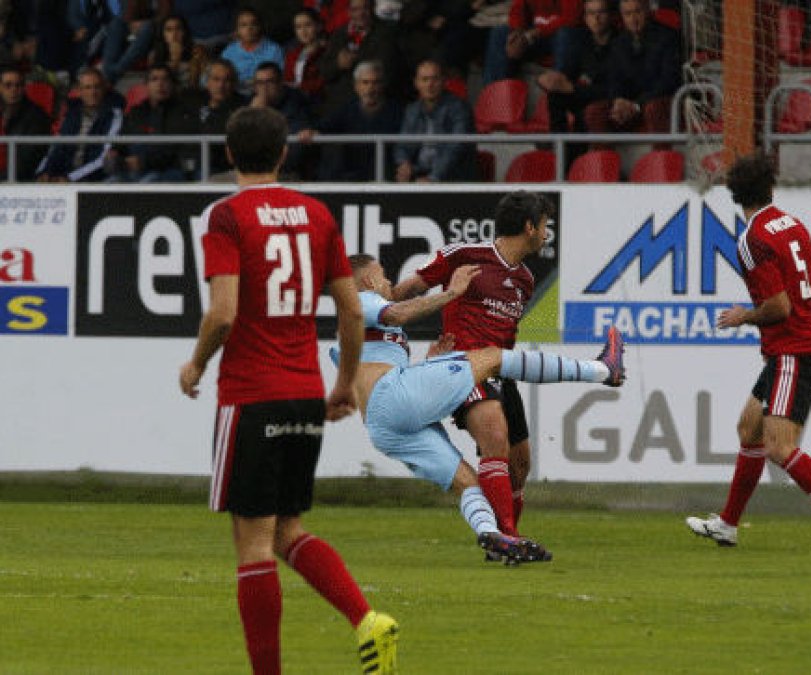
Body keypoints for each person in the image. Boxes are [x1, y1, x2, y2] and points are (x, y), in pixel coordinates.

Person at [177, 106, 399, 675]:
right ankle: (366, 619)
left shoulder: (225, 217)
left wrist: (197, 364)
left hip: (251, 394)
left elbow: (223, 314)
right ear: (283, 153)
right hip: (305, 393)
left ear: (228, 155)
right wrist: (344, 383)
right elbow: (351, 309)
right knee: (288, 531)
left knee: (252, 545)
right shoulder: (316, 214)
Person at [339, 253, 625, 562]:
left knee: (467, 482)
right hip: (391, 395)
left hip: (383, 426)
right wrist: (452, 293)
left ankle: (493, 534)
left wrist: (429, 367)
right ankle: (601, 370)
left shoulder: (362, 319)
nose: (389, 283)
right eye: (383, 276)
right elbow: (395, 315)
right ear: (368, 281)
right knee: (491, 357)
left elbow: (377, 371)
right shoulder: (361, 300)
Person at [685, 153, 811, 556]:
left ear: (734, 194)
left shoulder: (752, 240)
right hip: (794, 345)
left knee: (779, 446)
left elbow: (779, 306)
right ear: (770, 187)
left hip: (793, 350)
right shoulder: (791, 223)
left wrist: (742, 317)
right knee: (749, 428)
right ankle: (728, 525)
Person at [392, 191, 554, 537]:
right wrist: (377, 314)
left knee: (520, 463)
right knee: (496, 439)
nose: (546, 233)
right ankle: (507, 537)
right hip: (464, 368)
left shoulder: (524, 279)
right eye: (544, 225)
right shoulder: (465, 255)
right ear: (529, 227)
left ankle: (506, 536)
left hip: (500, 370)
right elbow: (406, 289)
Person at [584, 0, 680, 134]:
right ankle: (602, 154)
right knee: (594, 111)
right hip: (630, 104)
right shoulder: (618, 43)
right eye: (627, 14)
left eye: (637, 12)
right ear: (622, 17)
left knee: (653, 108)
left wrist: (637, 105)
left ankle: (661, 154)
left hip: (658, 100)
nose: (633, 19)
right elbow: (614, 80)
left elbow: (669, 81)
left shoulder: (668, 37)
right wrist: (618, 101)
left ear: (647, 11)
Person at [303, 59, 403, 182]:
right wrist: (311, 131)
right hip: (353, 180)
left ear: (383, 85)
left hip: (386, 179)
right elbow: (324, 126)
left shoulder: (397, 112)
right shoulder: (347, 110)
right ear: (356, 86)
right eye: (365, 83)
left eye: (375, 83)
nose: (370, 89)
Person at [535, 0, 617, 134]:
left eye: (601, 13)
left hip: (609, 99)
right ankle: (558, 145)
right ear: (585, 18)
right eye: (591, 13)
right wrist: (548, 80)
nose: (596, 18)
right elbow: (568, 74)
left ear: (611, 15)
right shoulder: (581, 42)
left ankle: (572, 151)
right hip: (584, 94)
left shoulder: (621, 43)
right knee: (556, 95)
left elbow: (614, 88)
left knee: (584, 111)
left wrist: (573, 89)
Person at [393, 59, 477, 183]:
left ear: (444, 81)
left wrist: (433, 177)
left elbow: (455, 148)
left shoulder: (459, 108)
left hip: (452, 177)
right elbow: (402, 145)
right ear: (416, 83)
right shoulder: (412, 109)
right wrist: (403, 163)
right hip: (419, 174)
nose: (429, 85)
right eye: (425, 80)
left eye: (435, 79)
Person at [35, 67, 125, 183]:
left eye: (96, 87)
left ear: (104, 89)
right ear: (80, 91)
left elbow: (103, 159)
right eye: (87, 88)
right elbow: (57, 147)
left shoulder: (114, 115)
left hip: (95, 178)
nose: (92, 92)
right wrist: (44, 172)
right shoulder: (71, 114)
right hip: (66, 176)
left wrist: (71, 178)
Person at [110, 64, 196, 182]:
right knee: (111, 183)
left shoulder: (183, 113)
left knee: (149, 182)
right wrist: (114, 153)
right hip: (135, 170)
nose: (160, 84)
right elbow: (121, 141)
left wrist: (144, 162)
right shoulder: (136, 112)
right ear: (147, 85)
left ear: (172, 85)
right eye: (154, 79)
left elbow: (175, 151)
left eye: (165, 79)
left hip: (171, 170)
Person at [318, 0, 405, 115]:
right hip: (339, 105)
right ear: (348, 12)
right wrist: (338, 64)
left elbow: (386, 69)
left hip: (371, 104)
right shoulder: (339, 34)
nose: (360, 13)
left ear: (373, 9)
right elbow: (324, 71)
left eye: (365, 8)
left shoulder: (386, 33)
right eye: (355, 9)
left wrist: (353, 61)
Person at [482, 0, 582, 84]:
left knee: (566, 34)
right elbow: (517, 10)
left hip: (562, 37)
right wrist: (517, 33)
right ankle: (495, 98)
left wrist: (533, 34)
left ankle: (559, 97)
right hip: (535, 37)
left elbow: (572, 19)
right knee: (500, 33)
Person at [183, 58, 247, 179]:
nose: (221, 85)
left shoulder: (241, 109)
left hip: (218, 168)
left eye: (227, 80)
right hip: (186, 166)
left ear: (234, 84)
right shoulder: (192, 101)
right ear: (207, 82)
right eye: (216, 79)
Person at [249, 61, 315, 179]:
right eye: (259, 83)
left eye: (269, 82)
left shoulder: (296, 103)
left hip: (285, 173)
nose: (264, 88)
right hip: (250, 172)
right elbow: (239, 144)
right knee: (214, 182)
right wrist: (253, 115)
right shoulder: (250, 103)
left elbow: (295, 152)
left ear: (280, 83)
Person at [0, 64, 53, 181]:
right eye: (8, 85)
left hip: (20, 183)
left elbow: (24, 163)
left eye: (18, 85)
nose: (13, 89)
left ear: (24, 87)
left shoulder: (38, 117)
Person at [221, 8, 286, 96]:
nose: (249, 28)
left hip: (265, 94)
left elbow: (279, 79)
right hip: (234, 95)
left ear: (260, 26)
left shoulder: (274, 50)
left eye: (253, 24)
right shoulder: (229, 52)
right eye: (243, 25)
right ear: (237, 30)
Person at [148, 14, 210, 92]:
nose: (174, 34)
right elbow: (158, 83)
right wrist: (175, 61)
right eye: (169, 30)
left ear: (184, 32)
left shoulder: (197, 51)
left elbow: (198, 83)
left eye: (178, 29)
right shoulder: (154, 55)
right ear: (163, 34)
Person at [283, 7, 327, 101]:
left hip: (316, 100)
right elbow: (287, 79)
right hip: (294, 98)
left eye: (308, 25)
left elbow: (323, 81)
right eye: (298, 27)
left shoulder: (326, 51)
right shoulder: (292, 54)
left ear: (318, 26)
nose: (303, 31)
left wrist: (298, 87)